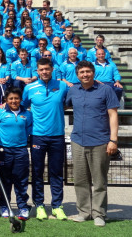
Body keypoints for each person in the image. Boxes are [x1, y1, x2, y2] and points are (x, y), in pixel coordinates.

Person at [65, 61, 119, 227]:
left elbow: (113, 115)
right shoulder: (73, 90)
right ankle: (84, 212)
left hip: (100, 142)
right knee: (80, 180)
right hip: (78, 141)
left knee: (99, 181)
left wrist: (113, 140)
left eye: (88, 71)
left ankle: (99, 214)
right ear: (77, 74)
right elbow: (64, 106)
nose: (85, 74)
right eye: (82, 72)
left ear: (93, 73)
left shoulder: (106, 90)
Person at [22, 57, 68, 220]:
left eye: (47, 69)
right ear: (37, 71)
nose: (44, 72)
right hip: (38, 136)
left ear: (52, 69)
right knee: (37, 172)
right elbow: (23, 106)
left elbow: (68, 102)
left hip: (57, 136)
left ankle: (57, 206)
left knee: (56, 173)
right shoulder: (29, 88)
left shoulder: (62, 86)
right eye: (41, 69)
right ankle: (39, 205)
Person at [0, 87, 33, 220]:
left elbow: (28, 130)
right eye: (11, 98)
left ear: (21, 99)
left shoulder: (27, 114)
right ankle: (4, 205)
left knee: (21, 180)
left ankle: (23, 207)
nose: (14, 101)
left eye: (16, 98)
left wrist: (20, 142)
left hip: (21, 150)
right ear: (6, 100)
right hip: (3, 150)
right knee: (4, 180)